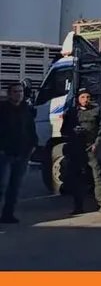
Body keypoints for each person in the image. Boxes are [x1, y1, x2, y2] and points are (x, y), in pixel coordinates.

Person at [62, 87, 101, 214]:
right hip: (76, 148)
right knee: (77, 177)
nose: (85, 100)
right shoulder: (72, 112)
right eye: (83, 97)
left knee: (97, 176)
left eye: (88, 97)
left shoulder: (96, 110)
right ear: (78, 99)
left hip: (90, 147)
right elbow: (64, 130)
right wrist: (73, 131)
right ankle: (78, 207)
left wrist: (97, 143)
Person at [0, 84, 38, 223]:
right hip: (4, 154)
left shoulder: (26, 109)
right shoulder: (2, 109)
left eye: (20, 91)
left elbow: (31, 129)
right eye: (15, 92)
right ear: (9, 94)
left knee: (15, 187)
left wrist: (33, 145)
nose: (18, 94)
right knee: (1, 186)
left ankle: (8, 215)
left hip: (22, 154)